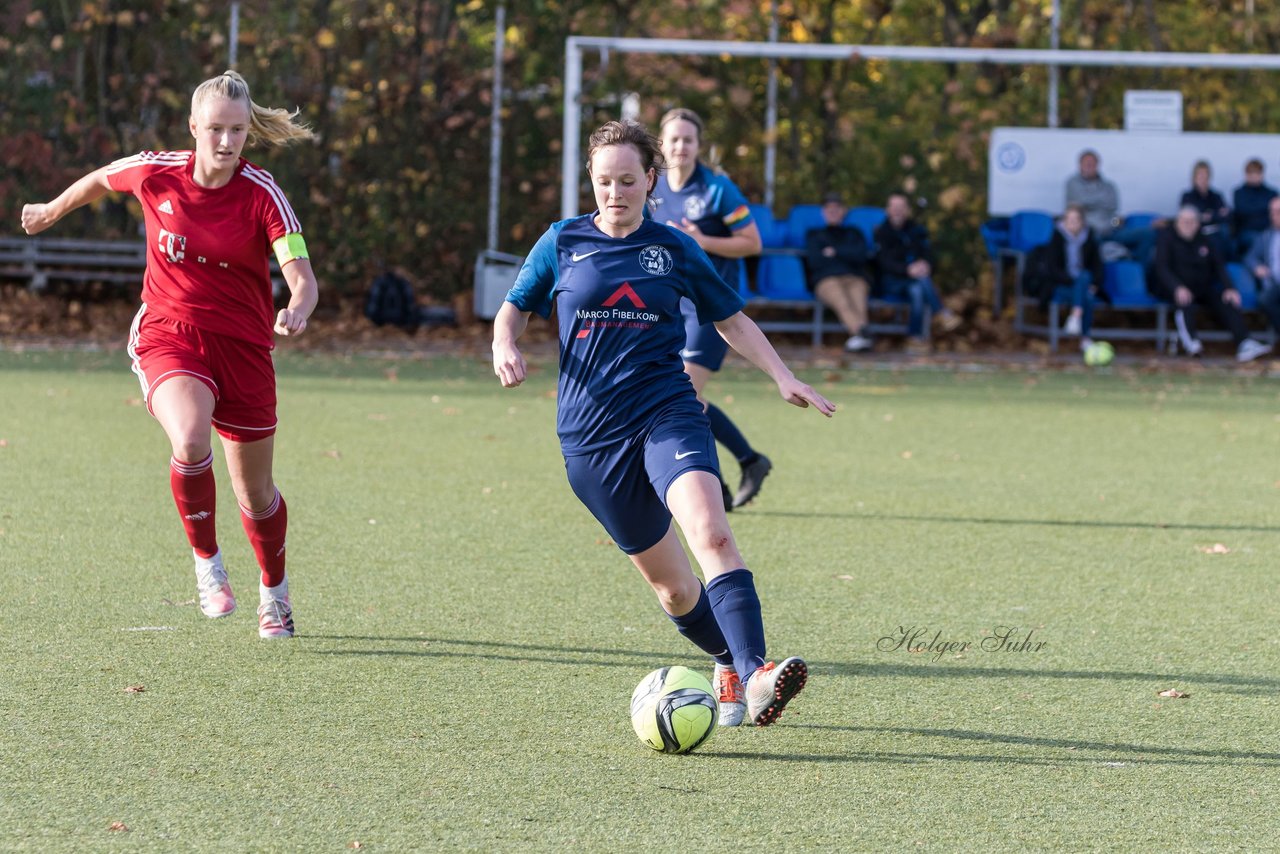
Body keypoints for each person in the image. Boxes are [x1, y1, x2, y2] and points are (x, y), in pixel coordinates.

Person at [492, 119, 834, 727]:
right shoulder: (562, 240)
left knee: (713, 534)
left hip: (667, 412)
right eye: (604, 182)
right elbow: (514, 307)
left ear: (651, 180)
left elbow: (730, 318)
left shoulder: (673, 247)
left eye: (628, 180)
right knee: (675, 591)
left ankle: (755, 674)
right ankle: (727, 661)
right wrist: (505, 345)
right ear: (590, 182)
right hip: (590, 439)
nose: (615, 193)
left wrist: (783, 375)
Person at [20, 70, 319, 638]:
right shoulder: (157, 172)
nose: (227, 142)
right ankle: (207, 564)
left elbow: (300, 273)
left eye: (237, 131)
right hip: (170, 333)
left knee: (255, 495)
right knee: (189, 437)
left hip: (246, 349)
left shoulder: (263, 194)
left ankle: (274, 592)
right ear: (193, 128)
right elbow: (101, 179)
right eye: (215, 130)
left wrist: (298, 307)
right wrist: (52, 210)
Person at [652, 107, 772, 510]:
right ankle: (748, 462)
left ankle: (716, 482)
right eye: (673, 139)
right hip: (670, 309)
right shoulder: (654, 189)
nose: (680, 147)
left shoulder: (718, 189)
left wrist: (703, 240)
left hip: (709, 309)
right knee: (684, 396)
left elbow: (751, 242)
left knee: (681, 395)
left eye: (688, 140)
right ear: (661, 144)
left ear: (699, 145)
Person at [1153, 206, 1270, 362]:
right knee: (1184, 302)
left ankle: (1244, 343)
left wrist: (1230, 288)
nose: (1188, 225)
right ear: (1177, 222)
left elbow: (1219, 266)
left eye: (1191, 221)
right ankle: (1192, 345)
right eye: (1184, 221)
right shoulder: (1166, 239)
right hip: (1175, 288)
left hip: (1202, 287)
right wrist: (1177, 287)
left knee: (1227, 300)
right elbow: (1162, 268)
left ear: (1197, 223)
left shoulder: (1205, 240)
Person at [873, 193, 960, 352]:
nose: (898, 211)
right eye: (894, 207)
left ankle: (915, 338)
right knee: (920, 283)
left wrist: (926, 265)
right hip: (891, 281)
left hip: (914, 281)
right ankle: (940, 312)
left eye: (901, 207)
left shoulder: (916, 230)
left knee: (918, 289)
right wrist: (907, 269)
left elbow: (928, 255)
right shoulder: (881, 233)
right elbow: (884, 263)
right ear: (888, 210)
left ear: (907, 210)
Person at [1026, 204, 1107, 351]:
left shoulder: (1090, 239)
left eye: (1075, 220)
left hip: (1084, 283)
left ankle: (1075, 316)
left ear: (1082, 222)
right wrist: (1075, 282)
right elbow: (1053, 270)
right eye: (1069, 220)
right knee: (1086, 295)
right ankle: (1085, 338)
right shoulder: (1056, 238)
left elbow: (1097, 266)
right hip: (1061, 285)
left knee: (1085, 278)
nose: (1072, 223)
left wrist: (1094, 284)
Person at [804, 191, 874, 352]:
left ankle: (860, 338)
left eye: (836, 208)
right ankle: (862, 332)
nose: (833, 212)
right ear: (823, 212)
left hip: (854, 277)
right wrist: (846, 253)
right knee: (842, 302)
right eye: (829, 209)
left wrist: (834, 252)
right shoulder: (814, 235)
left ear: (843, 211)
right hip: (826, 279)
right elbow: (815, 261)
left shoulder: (854, 233)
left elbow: (860, 256)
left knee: (859, 302)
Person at [1064, 149, 1154, 266]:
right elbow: (1078, 206)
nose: (1089, 166)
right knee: (1091, 241)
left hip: (1112, 228)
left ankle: (1138, 270)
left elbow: (1114, 210)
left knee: (1148, 234)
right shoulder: (1072, 183)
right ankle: (1116, 258)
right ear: (1080, 165)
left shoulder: (1109, 186)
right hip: (1089, 232)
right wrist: (1100, 201)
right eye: (1087, 163)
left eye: (1092, 163)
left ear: (1098, 165)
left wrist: (1115, 222)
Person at [1240, 195, 1280, 336]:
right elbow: (1249, 257)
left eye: (1278, 212)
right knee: (1265, 299)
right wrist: (1257, 267)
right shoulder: (1266, 236)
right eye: (1272, 212)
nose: (1274, 216)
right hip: (1275, 283)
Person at [1179, 160, 1232, 259]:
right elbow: (1188, 219)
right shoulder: (1187, 197)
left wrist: (1207, 216)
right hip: (1196, 233)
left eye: (1205, 175)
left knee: (1224, 236)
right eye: (1200, 175)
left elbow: (1226, 216)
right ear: (1194, 178)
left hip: (1216, 233)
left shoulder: (1216, 196)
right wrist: (1215, 215)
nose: (1203, 179)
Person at [1232, 158, 1277, 259]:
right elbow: (1242, 210)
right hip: (1247, 232)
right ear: (1246, 174)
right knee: (1258, 240)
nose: (1253, 176)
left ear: (1262, 174)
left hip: (1268, 231)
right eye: (1251, 173)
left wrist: (1253, 211)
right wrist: (1263, 210)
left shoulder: (1271, 193)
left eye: (1256, 173)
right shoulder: (1239, 193)